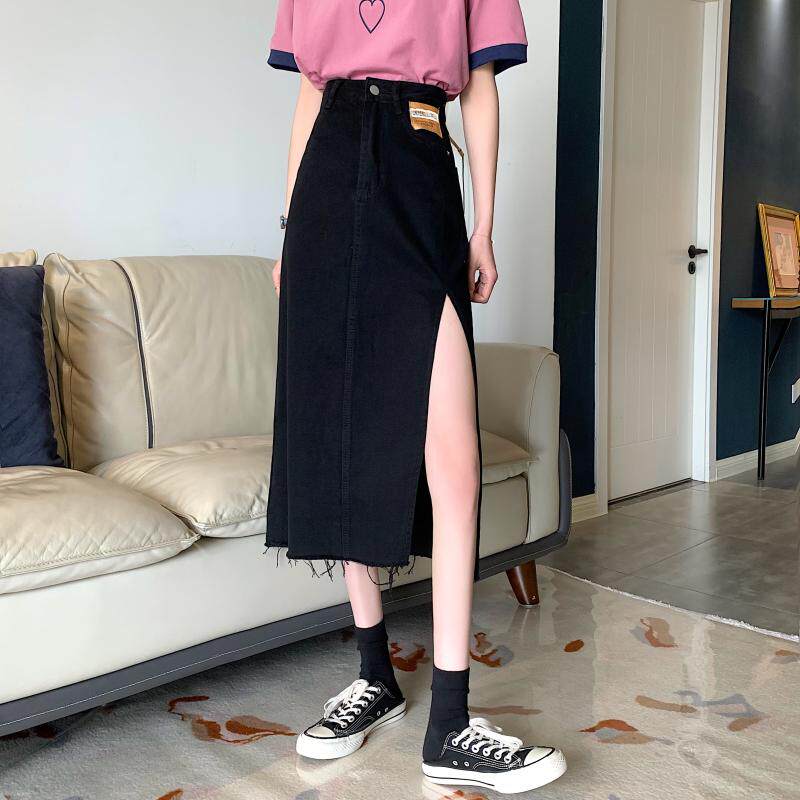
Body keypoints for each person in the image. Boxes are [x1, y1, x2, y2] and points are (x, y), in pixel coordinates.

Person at [264, 0, 566, 793]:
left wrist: (484, 226)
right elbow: (308, 91)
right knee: (344, 428)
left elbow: (480, 84)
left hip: (419, 163)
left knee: (453, 460)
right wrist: (290, 230)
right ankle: (375, 673)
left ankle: (451, 719)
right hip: (328, 179)